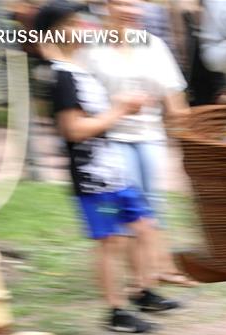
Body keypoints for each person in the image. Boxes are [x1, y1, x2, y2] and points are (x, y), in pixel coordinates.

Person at [36, 0, 179, 334]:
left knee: (143, 226)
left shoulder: (77, 70)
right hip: (92, 177)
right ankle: (116, 312)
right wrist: (118, 111)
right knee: (111, 241)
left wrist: (122, 107)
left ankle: (144, 292)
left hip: (110, 169)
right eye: (73, 23)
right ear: (54, 33)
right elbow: (73, 130)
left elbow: (95, 119)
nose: (83, 28)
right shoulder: (60, 77)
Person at [79, 0, 197, 287]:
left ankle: (163, 268)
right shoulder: (91, 47)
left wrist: (186, 129)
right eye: (122, 4)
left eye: (136, 5)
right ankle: (140, 277)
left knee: (155, 201)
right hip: (112, 136)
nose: (131, 10)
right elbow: (82, 95)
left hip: (150, 134)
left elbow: (172, 91)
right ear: (106, 6)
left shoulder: (153, 44)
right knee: (129, 205)